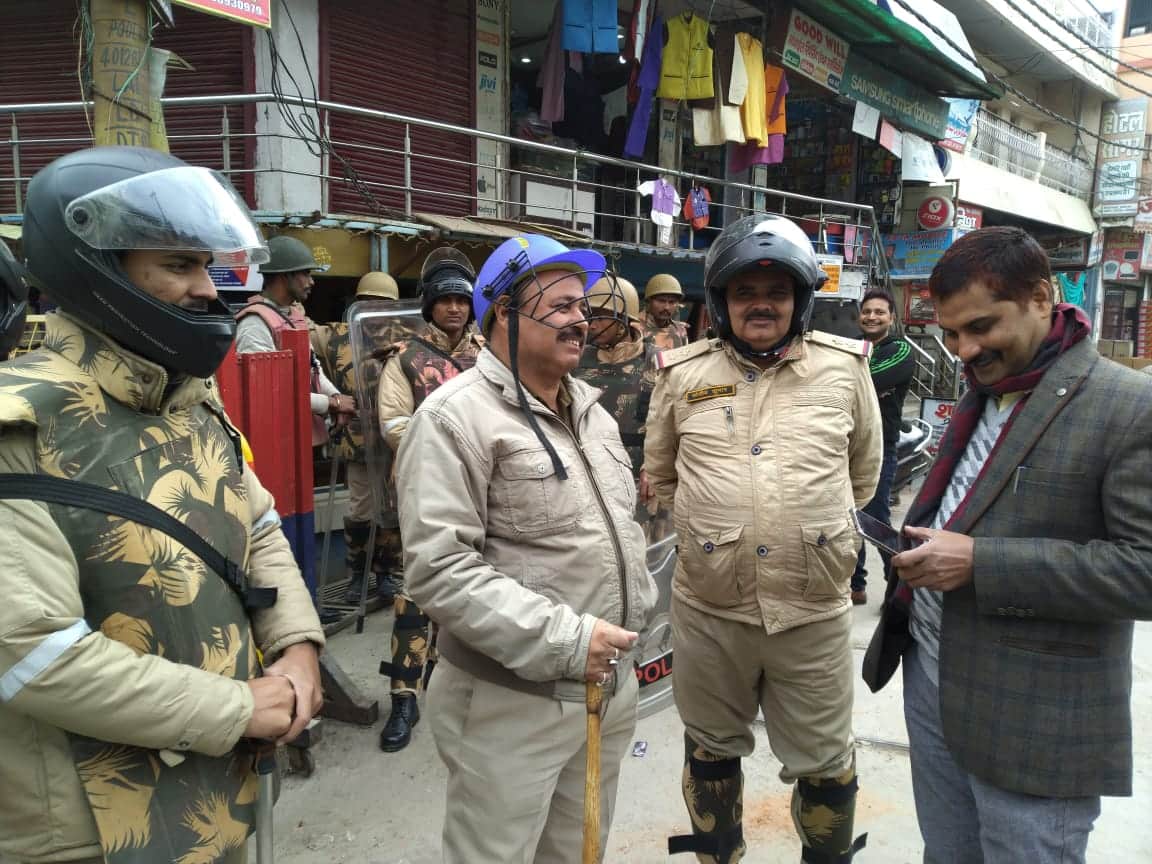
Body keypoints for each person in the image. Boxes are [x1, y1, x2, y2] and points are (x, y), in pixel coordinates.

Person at [0, 146, 325, 864]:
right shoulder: (16, 422)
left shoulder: (187, 397)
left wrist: (299, 650)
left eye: (206, 265)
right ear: (98, 269)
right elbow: (32, 655)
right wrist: (242, 708)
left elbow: (259, 527)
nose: (208, 290)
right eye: (178, 266)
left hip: (225, 792)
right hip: (94, 832)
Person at [863, 226, 1152, 864]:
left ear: (1043, 297)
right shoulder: (985, 392)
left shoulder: (1129, 407)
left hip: (1033, 718)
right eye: (950, 334)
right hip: (933, 683)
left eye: (981, 327)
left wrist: (980, 563)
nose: (965, 350)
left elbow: (1145, 570)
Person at [395, 234, 656, 862]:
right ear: (505, 312)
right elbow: (438, 570)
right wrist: (568, 640)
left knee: (577, 851)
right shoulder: (454, 419)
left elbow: (618, 529)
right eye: (561, 305)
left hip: (605, 691)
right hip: (511, 705)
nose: (580, 319)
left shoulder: (590, 413)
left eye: (582, 305)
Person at [644, 214, 881, 864]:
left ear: (800, 301)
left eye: (776, 292)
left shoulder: (844, 369)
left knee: (826, 761)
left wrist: (805, 533)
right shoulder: (684, 374)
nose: (761, 304)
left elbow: (862, 476)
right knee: (711, 750)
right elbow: (662, 475)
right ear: (721, 302)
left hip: (812, 613)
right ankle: (718, 854)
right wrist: (721, 530)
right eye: (745, 292)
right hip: (709, 613)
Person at [374, 248, 484, 754]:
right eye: (446, 301)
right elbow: (393, 423)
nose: (456, 309)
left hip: (482, 489)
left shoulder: (492, 354)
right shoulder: (406, 358)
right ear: (430, 306)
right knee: (414, 593)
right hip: (424, 488)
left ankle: (458, 684)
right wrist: (448, 441)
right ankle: (403, 694)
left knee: (476, 585)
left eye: (463, 299)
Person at [312, 271, 406, 606]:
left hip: (396, 441)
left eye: (383, 304)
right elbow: (300, 331)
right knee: (361, 510)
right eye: (371, 302)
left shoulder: (408, 336)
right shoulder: (337, 336)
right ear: (360, 304)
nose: (376, 309)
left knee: (393, 509)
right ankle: (357, 575)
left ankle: (387, 574)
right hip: (356, 441)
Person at [234, 235, 356, 443]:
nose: (312, 281)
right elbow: (267, 391)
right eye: (306, 273)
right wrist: (332, 403)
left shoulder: (292, 316)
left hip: (297, 437)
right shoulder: (254, 323)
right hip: (270, 441)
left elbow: (313, 368)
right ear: (284, 276)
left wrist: (337, 398)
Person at [851, 288, 915, 605]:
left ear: (891, 317)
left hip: (879, 447)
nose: (872, 316)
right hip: (845, 445)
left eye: (879, 312)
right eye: (867, 311)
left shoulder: (899, 350)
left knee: (874, 519)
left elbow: (864, 380)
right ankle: (855, 585)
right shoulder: (852, 347)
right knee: (848, 518)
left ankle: (899, 586)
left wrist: (840, 376)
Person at [572, 273, 648, 476]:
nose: (592, 324)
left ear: (624, 319)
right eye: (590, 316)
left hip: (639, 476)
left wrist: (654, 467)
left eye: (601, 316)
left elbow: (672, 423)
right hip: (586, 469)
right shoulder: (576, 359)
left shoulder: (658, 361)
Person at [642, 272, 690, 351]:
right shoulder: (634, 328)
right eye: (661, 301)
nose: (666, 307)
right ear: (649, 301)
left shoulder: (680, 329)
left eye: (672, 302)